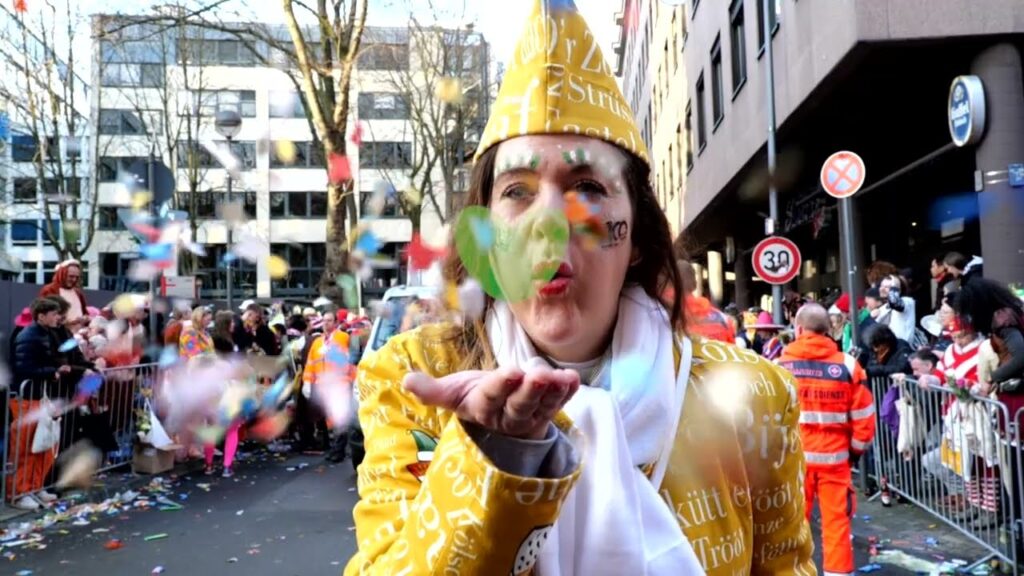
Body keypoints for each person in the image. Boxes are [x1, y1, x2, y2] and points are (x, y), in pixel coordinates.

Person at [345, 3, 814, 573]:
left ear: (636, 235)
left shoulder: (754, 396)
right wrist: (494, 457)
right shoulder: (411, 380)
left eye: (588, 187)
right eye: (517, 192)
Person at [777, 303, 874, 576]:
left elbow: (768, 418)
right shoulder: (847, 366)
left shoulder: (779, 367)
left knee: (791, 526)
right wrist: (853, 453)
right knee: (837, 524)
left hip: (794, 462)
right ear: (829, 329)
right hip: (835, 460)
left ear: (798, 330)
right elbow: (864, 419)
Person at [9, 298, 67, 510]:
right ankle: (19, 492)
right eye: (54, 314)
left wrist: (53, 371)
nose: (58, 317)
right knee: (26, 447)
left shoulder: (43, 333)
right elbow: (24, 368)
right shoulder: (29, 335)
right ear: (41, 316)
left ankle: (34, 487)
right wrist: (52, 372)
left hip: (38, 396)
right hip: (27, 397)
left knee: (42, 444)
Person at [302, 310, 351, 463]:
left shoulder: (342, 337)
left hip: (339, 384)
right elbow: (310, 364)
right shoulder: (318, 342)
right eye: (324, 320)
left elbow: (346, 361)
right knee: (330, 420)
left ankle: (338, 451)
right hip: (323, 387)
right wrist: (307, 381)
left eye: (329, 320)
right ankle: (334, 449)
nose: (326, 323)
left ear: (336, 323)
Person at [665, 259, 735, 344]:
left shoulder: (660, 316)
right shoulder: (722, 319)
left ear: (669, 283)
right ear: (694, 284)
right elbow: (731, 350)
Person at [38, 260, 88, 330]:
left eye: (76, 277)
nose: (74, 280)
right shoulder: (49, 290)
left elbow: (85, 313)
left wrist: (85, 318)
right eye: (71, 276)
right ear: (62, 274)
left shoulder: (77, 292)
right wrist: (70, 322)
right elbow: (46, 316)